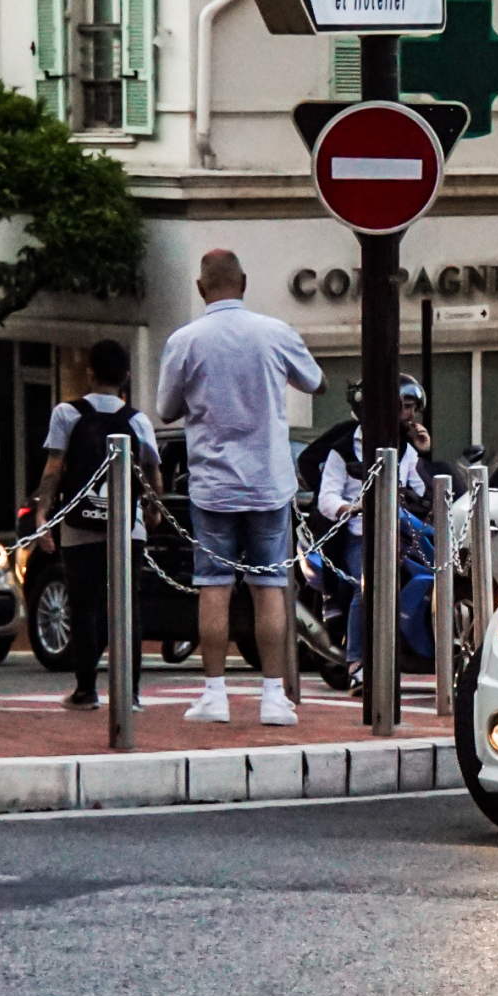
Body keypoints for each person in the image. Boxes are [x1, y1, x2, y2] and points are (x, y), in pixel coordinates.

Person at [155, 249, 322, 726]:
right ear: (244, 282)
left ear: (201, 288)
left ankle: (214, 694)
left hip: (212, 483)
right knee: (270, 587)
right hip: (269, 481)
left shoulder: (185, 340)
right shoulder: (274, 333)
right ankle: (273, 696)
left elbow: (166, 408)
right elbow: (315, 381)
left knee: (214, 587)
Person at [30, 339, 162, 711]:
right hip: (128, 526)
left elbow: (54, 469)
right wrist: (152, 509)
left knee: (83, 604)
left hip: (78, 525)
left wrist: (42, 517)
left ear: (89, 372)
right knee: (127, 605)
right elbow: (153, 474)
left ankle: (86, 690)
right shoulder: (137, 420)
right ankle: (131, 693)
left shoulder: (66, 414)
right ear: (126, 377)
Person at [317, 374, 435, 690]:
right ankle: (357, 662)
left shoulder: (406, 448)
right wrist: (349, 508)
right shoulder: (343, 449)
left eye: (413, 408)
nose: (410, 416)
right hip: (359, 534)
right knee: (367, 586)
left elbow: (422, 490)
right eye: (405, 407)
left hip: (403, 533)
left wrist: (423, 452)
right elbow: (326, 497)